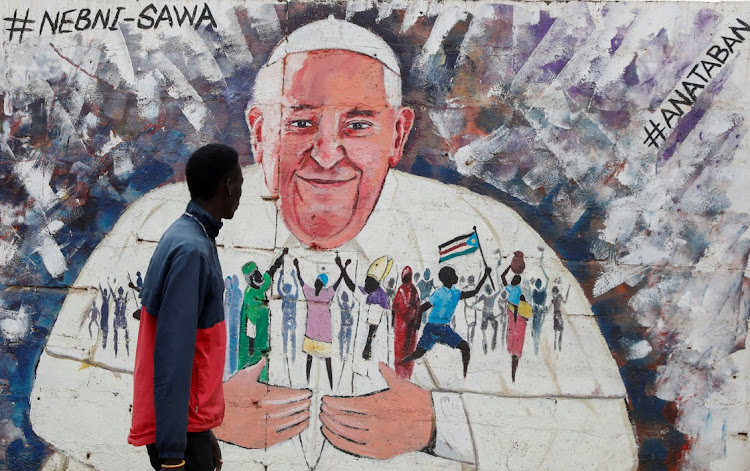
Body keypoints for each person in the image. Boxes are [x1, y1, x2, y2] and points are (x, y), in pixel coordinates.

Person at [31, 17, 636, 471]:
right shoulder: (163, 227)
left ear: (398, 134)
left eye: (358, 124)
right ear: (260, 131)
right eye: (300, 122)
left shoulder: (494, 241)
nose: (327, 153)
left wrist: (439, 422)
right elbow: (57, 402)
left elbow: (608, 443)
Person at [127, 143, 244, 471]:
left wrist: (203, 431)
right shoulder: (192, 250)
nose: (240, 194)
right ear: (228, 186)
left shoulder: (189, 236)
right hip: (180, 436)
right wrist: (174, 452)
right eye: (239, 184)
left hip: (189, 427)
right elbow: (173, 356)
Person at [402, 265, 491, 377]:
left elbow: (474, 292)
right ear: (448, 278)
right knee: (419, 352)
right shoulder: (439, 293)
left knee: (464, 347)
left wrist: (485, 276)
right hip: (433, 327)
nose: (456, 276)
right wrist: (417, 324)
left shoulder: (456, 293)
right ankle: (401, 363)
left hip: (443, 328)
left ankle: (465, 376)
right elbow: (422, 308)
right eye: (454, 275)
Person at [294, 255, 354, 388]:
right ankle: (306, 382)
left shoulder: (327, 293)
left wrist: (343, 266)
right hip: (311, 332)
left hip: (324, 333)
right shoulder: (309, 292)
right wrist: (296, 266)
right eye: (317, 281)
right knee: (309, 358)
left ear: (322, 284)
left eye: (320, 281)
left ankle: (331, 385)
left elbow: (339, 281)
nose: (317, 283)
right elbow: (300, 280)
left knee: (327, 360)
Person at [238, 250, 286, 383]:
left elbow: (271, 271)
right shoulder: (251, 295)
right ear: (251, 279)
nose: (260, 275)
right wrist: (251, 346)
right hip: (253, 341)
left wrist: (282, 256)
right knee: (254, 363)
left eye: (259, 273)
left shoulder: (259, 286)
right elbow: (250, 324)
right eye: (257, 274)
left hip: (261, 334)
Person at [392, 266, 421, 379]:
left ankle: (406, 375)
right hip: (402, 326)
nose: (406, 278)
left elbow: (418, 308)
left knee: (407, 350)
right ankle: (401, 374)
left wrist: (416, 323)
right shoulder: (402, 290)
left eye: (407, 276)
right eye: (405, 276)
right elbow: (395, 307)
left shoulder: (412, 291)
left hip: (408, 327)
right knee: (401, 350)